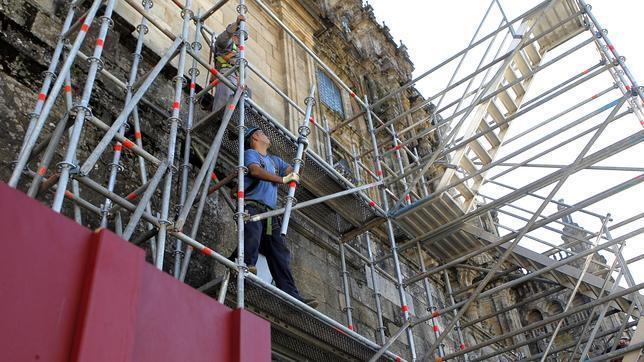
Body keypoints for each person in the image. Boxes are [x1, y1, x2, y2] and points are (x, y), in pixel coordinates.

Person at [230, 126, 318, 308]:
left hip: (270, 213)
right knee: (252, 237)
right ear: (255, 136)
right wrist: (282, 180)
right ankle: (243, 266)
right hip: (253, 206)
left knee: (279, 253)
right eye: (262, 132)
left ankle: (291, 295)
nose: (266, 135)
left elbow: (295, 173)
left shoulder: (275, 161)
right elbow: (254, 171)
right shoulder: (251, 154)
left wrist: (304, 152)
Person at [209, 15, 249, 114]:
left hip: (237, 82)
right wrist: (236, 24)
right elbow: (223, 38)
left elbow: (242, 73)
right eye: (240, 37)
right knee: (223, 106)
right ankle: (218, 118)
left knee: (246, 98)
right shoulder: (227, 44)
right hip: (227, 75)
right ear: (235, 36)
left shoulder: (240, 52)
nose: (241, 41)